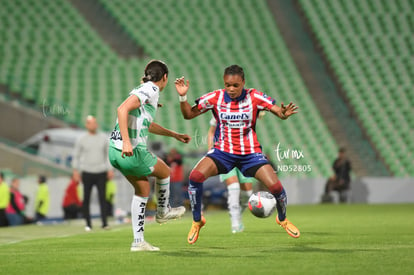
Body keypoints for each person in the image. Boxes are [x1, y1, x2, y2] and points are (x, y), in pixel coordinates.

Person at [175, 64, 300, 244]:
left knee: (276, 188)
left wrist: (283, 113)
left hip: (250, 154)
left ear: (243, 83)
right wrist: (182, 96)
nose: (231, 89)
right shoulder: (215, 97)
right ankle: (197, 221)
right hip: (223, 153)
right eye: (227, 85)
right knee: (195, 177)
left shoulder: (254, 96)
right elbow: (188, 115)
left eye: (235, 85)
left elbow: (278, 111)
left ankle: (282, 218)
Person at [109, 60, 191, 251]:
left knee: (143, 189)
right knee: (164, 171)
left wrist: (174, 134)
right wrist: (128, 141)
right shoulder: (151, 89)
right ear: (165, 78)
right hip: (130, 150)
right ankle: (163, 212)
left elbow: (146, 123)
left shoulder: (145, 91)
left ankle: (138, 242)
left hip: (114, 151)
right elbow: (122, 109)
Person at [207, 117, 255, 233]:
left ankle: (237, 214)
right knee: (234, 188)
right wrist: (210, 149)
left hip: (244, 153)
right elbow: (211, 132)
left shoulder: (245, 107)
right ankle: (235, 223)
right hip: (224, 154)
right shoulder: (220, 109)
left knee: (247, 194)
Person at [73, 115, 111, 231]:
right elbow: (76, 156)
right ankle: (88, 224)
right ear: (86, 125)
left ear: (97, 124)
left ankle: (104, 223)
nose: (93, 125)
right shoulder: (81, 139)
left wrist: (110, 169)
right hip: (87, 172)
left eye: (94, 122)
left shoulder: (104, 138)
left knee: (102, 198)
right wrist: (75, 170)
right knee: (86, 198)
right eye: (90, 123)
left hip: (101, 172)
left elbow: (108, 155)